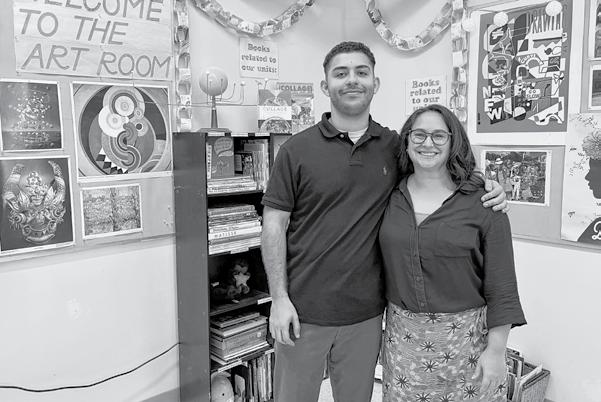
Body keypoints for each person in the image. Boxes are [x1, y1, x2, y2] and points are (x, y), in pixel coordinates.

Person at [261, 41, 507, 402]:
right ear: (325, 85)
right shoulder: (295, 150)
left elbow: (436, 168)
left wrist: (486, 183)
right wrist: (279, 298)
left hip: (366, 314)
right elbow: (273, 225)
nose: (352, 80)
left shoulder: (394, 147)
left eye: (361, 72)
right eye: (341, 73)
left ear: (375, 83)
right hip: (302, 310)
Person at [378, 104, 526, 401]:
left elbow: (502, 286)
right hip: (403, 344)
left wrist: (496, 351)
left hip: (467, 345)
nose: (428, 143)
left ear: (453, 141)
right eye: (419, 135)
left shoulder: (484, 202)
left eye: (438, 136)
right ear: (406, 141)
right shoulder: (387, 196)